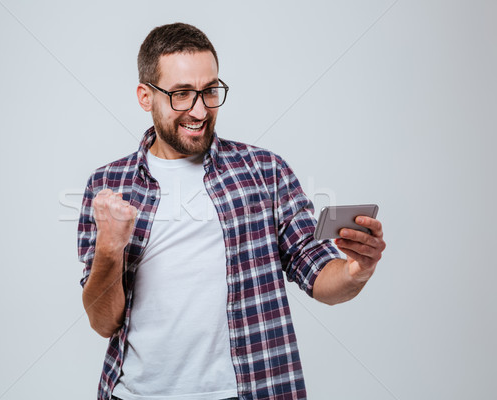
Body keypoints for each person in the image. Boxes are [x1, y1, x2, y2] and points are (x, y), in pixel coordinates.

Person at [77, 23, 386, 400]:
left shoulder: (265, 171)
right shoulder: (108, 185)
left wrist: (356, 270)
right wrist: (110, 248)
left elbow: (318, 273)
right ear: (145, 96)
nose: (199, 109)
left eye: (209, 91)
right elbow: (102, 321)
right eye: (181, 95)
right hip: (135, 394)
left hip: (250, 390)